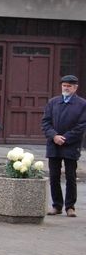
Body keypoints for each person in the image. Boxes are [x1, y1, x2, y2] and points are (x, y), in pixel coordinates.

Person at [41, 75, 86, 217]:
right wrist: (54, 136)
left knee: (70, 176)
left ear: (75, 88)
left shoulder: (82, 104)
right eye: (64, 85)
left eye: (69, 86)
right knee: (54, 176)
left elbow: (82, 126)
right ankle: (57, 205)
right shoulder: (53, 102)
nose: (66, 88)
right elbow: (45, 122)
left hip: (71, 145)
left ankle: (70, 207)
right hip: (53, 144)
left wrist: (65, 138)